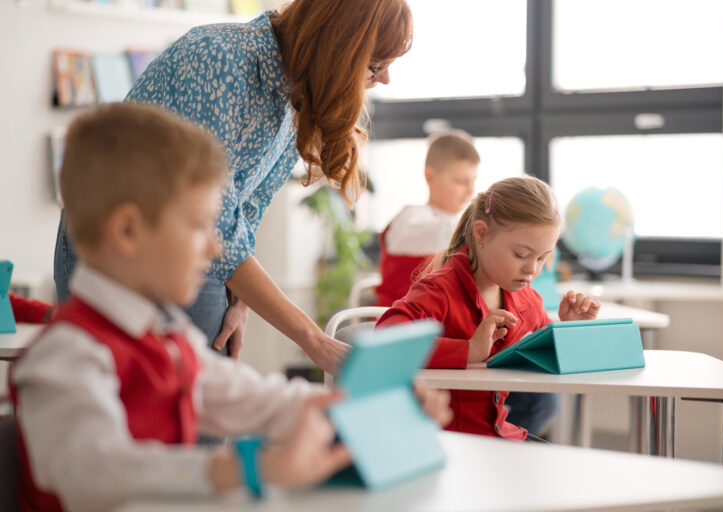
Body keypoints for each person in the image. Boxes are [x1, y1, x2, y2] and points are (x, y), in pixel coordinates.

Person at [11, 104, 451, 512]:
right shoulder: (65, 355)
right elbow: (95, 473)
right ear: (127, 231)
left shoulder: (168, 338)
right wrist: (243, 468)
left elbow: (257, 401)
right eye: (199, 225)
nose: (215, 246)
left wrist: (365, 404)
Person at [53, 0, 414, 373]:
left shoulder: (296, 92)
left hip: (190, 250)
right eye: (376, 66)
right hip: (119, 249)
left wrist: (239, 298)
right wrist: (314, 340)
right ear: (336, 47)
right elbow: (220, 223)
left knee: (203, 406)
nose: (384, 79)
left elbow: (249, 205)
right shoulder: (220, 59)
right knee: (147, 407)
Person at [376, 176, 601, 441]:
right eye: (520, 254)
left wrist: (567, 330)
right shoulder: (439, 290)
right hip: (450, 442)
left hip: (498, 434)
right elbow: (384, 343)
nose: (532, 269)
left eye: (543, 258)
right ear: (481, 233)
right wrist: (468, 350)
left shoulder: (526, 299)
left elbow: (543, 356)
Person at [375, 130, 480, 307]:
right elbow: (443, 235)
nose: (470, 191)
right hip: (398, 323)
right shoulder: (410, 218)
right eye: (461, 181)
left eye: (473, 181)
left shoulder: (460, 225)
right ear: (430, 176)